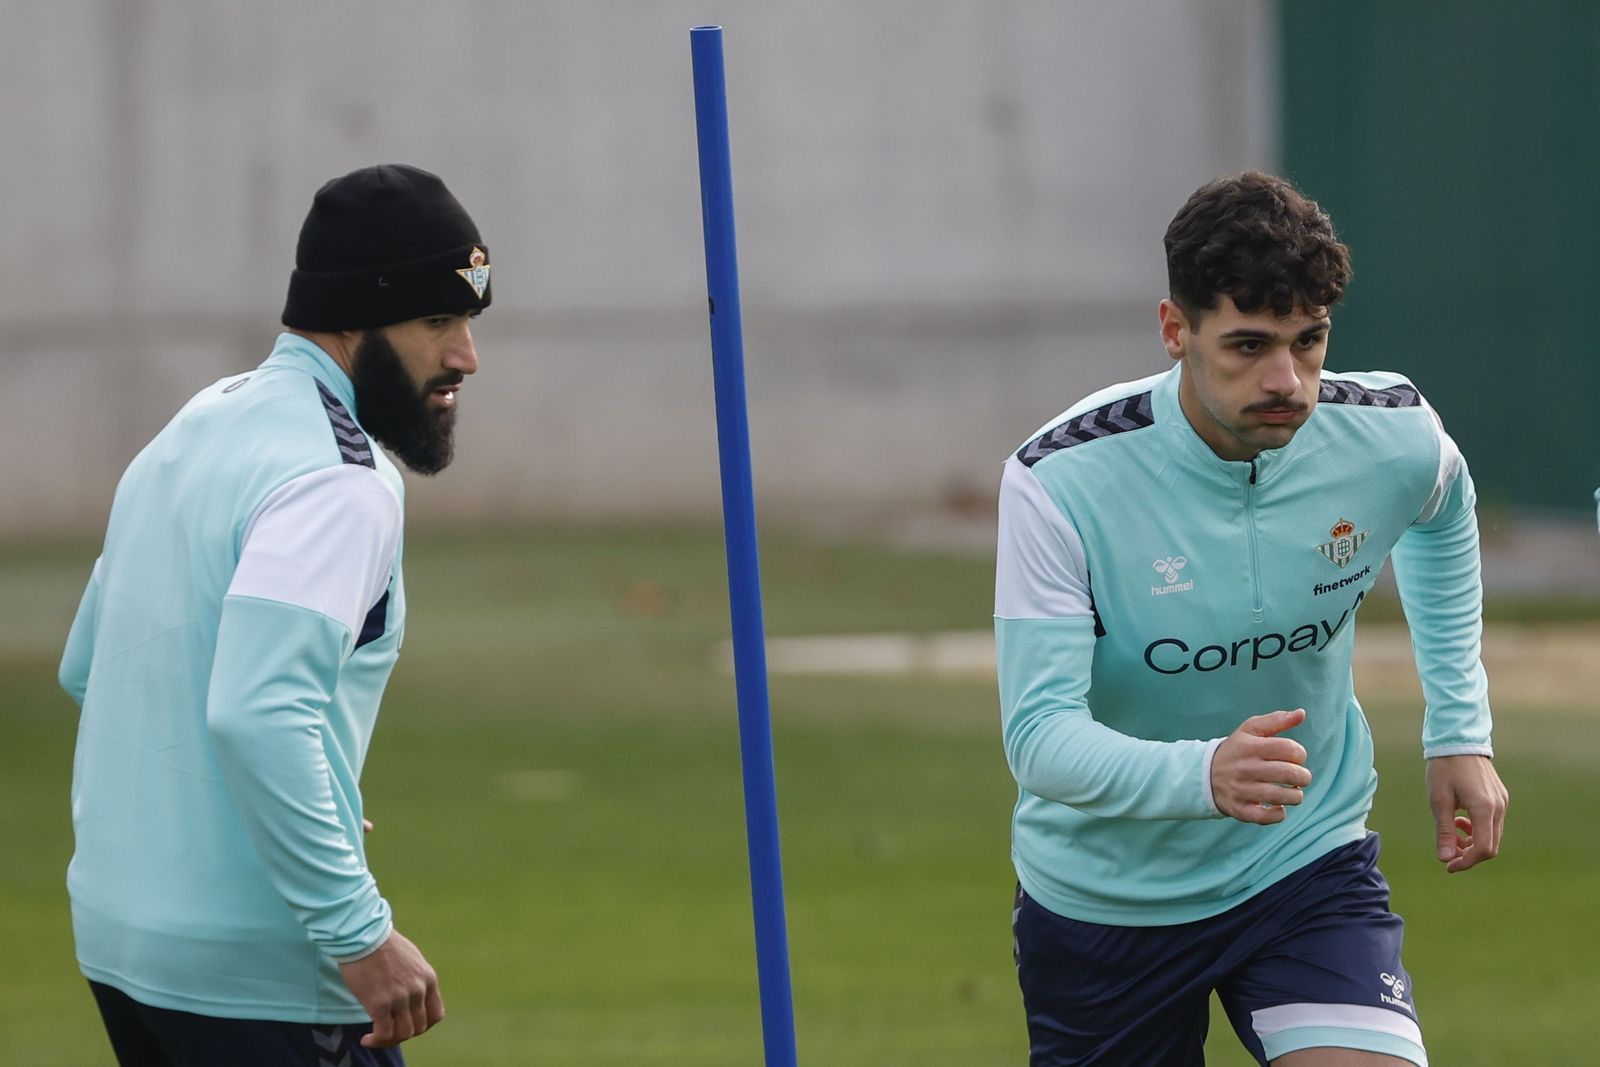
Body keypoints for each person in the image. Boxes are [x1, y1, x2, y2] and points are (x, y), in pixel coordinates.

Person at [995, 171, 1508, 1066]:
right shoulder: (1059, 480)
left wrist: (1459, 728)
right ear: (1174, 330)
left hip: (1303, 865)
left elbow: (1444, 506)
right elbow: (1038, 737)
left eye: (1310, 342)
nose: (1288, 380)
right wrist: (1205, 774)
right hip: (1105, 902)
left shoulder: (1387, 433)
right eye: (1247, 345)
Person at [58, 163, 493, 1066]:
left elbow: (92, 667)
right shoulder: (338, 480)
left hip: (122, 945)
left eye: (468, 322)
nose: (465, 357)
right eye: (436, 321)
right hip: (257, 973)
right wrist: (360, 933)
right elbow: (258, 713)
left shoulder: (201, 423)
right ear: (350, 320)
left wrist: (300, 791)